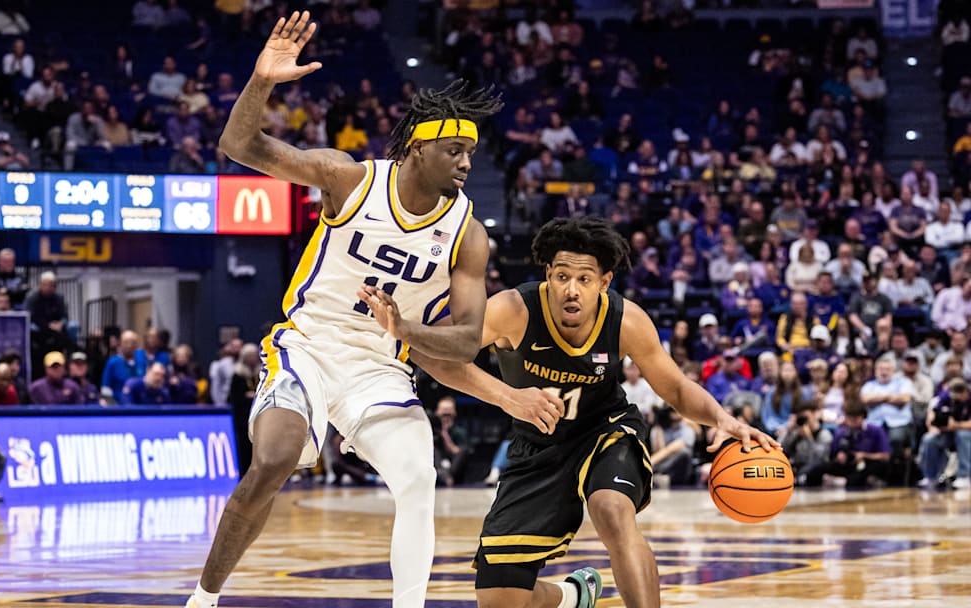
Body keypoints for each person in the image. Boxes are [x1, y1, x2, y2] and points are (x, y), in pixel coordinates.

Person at [186, 12, 502, 608]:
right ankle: (202, 600)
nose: (466, 164)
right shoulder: (347, 178)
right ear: (418, 145)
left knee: (418, 477)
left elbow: (465, 340)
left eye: (471, 154)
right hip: (307, 344)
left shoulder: (469, 234)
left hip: (379, 365)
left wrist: (403, 327)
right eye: (455, 150)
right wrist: (261, 82)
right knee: (274, 461)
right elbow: (238, 146)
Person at [413, 217, 775, 608]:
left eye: (584, 280)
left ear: (604, 282)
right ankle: (572, 596)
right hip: (536, 445)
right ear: (548, 274)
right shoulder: (513, 310)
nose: (572, 290)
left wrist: (723, 418)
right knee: (501, 598)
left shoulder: (626, 320)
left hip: (606, 430)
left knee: (612, 509)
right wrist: (508, 397)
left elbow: (674, 387)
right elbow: (432, 353)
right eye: (563, 276)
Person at [918, 380, 971, 489]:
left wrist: (957, 425)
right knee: (929, 439)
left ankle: (964, 476)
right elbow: (933, 414)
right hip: (948, 433)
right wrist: (936, 424)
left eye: (958, 397)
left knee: (962, 435)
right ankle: (930, 477)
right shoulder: (946, 396)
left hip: (966, 434)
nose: (955, 399)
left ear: (965, 393)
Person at [226, 343, 260, 474]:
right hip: (244, 418)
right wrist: (247, 397)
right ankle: (245, 473)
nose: (252, 359)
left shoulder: (261, 373)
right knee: (244, 447)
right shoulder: (238, 375)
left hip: (259, 417)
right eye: (249, 356)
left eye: (254, 356)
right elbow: (234, 397)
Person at [101, 330, 141, 400]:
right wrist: (112, 407)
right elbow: (105, 389)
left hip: (139, 407)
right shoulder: (113, 362)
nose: (129, 345)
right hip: (118, 407)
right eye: (126, 342)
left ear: (137, 345)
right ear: (120, 343)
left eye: (132, 342)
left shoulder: (141, 361)